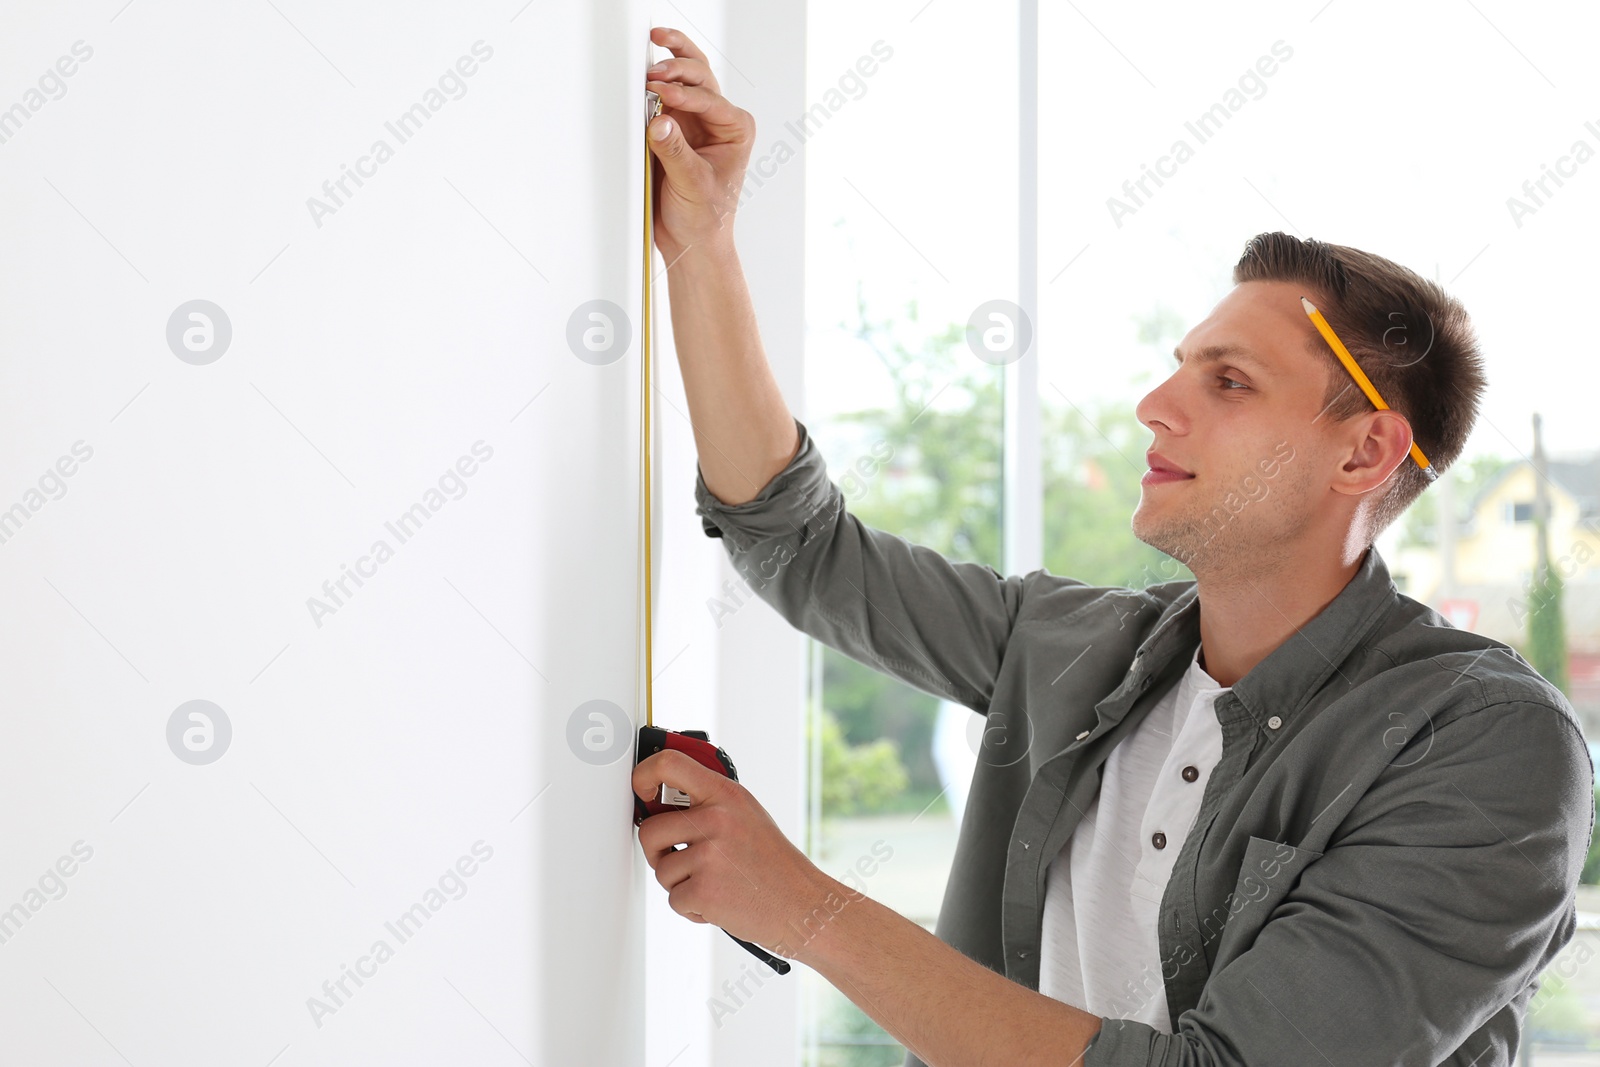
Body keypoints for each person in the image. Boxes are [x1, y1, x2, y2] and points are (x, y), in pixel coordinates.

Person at [631, 25, 1595, 1067]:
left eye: (1226, 382)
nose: (1153, 404)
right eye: (1178, 368)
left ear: (1363, 453)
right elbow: (802, 545)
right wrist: (703, 242)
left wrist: (803, 906)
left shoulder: (1481, 744)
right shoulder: (1070, 646)